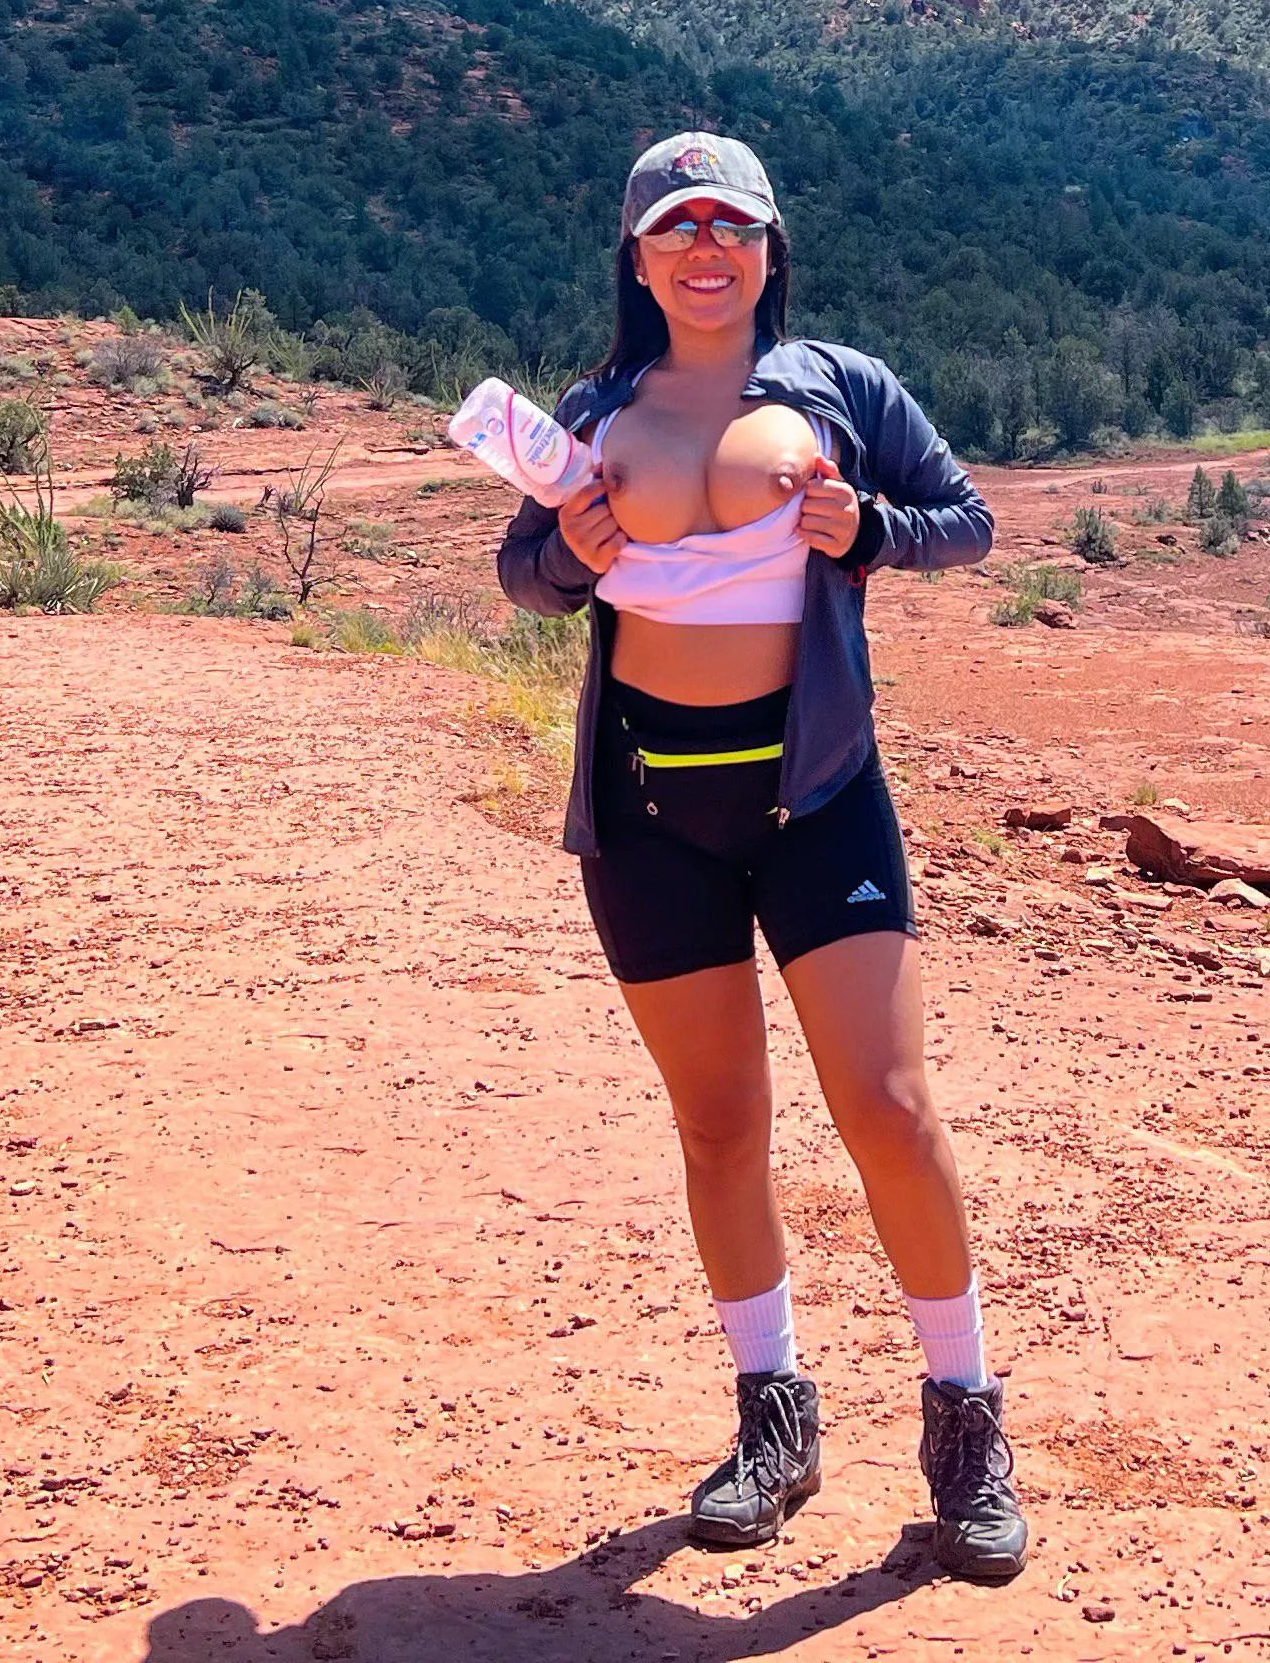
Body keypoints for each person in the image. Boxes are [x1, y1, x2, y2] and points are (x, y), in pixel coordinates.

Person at [493, 131, 1023, 1581]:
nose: (707, 249)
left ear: (771, 252)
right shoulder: (598, 412)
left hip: (818, 799)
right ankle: (772, 1413)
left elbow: (968, 523)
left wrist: (872, 535)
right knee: (720, 1128)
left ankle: (966, 1418)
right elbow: (521, 573)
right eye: (678, 230)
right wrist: (570, 552)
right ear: (640, 258)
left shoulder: (842, 387)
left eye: (734, 227)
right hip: (653, 818)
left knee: (891, 1106)